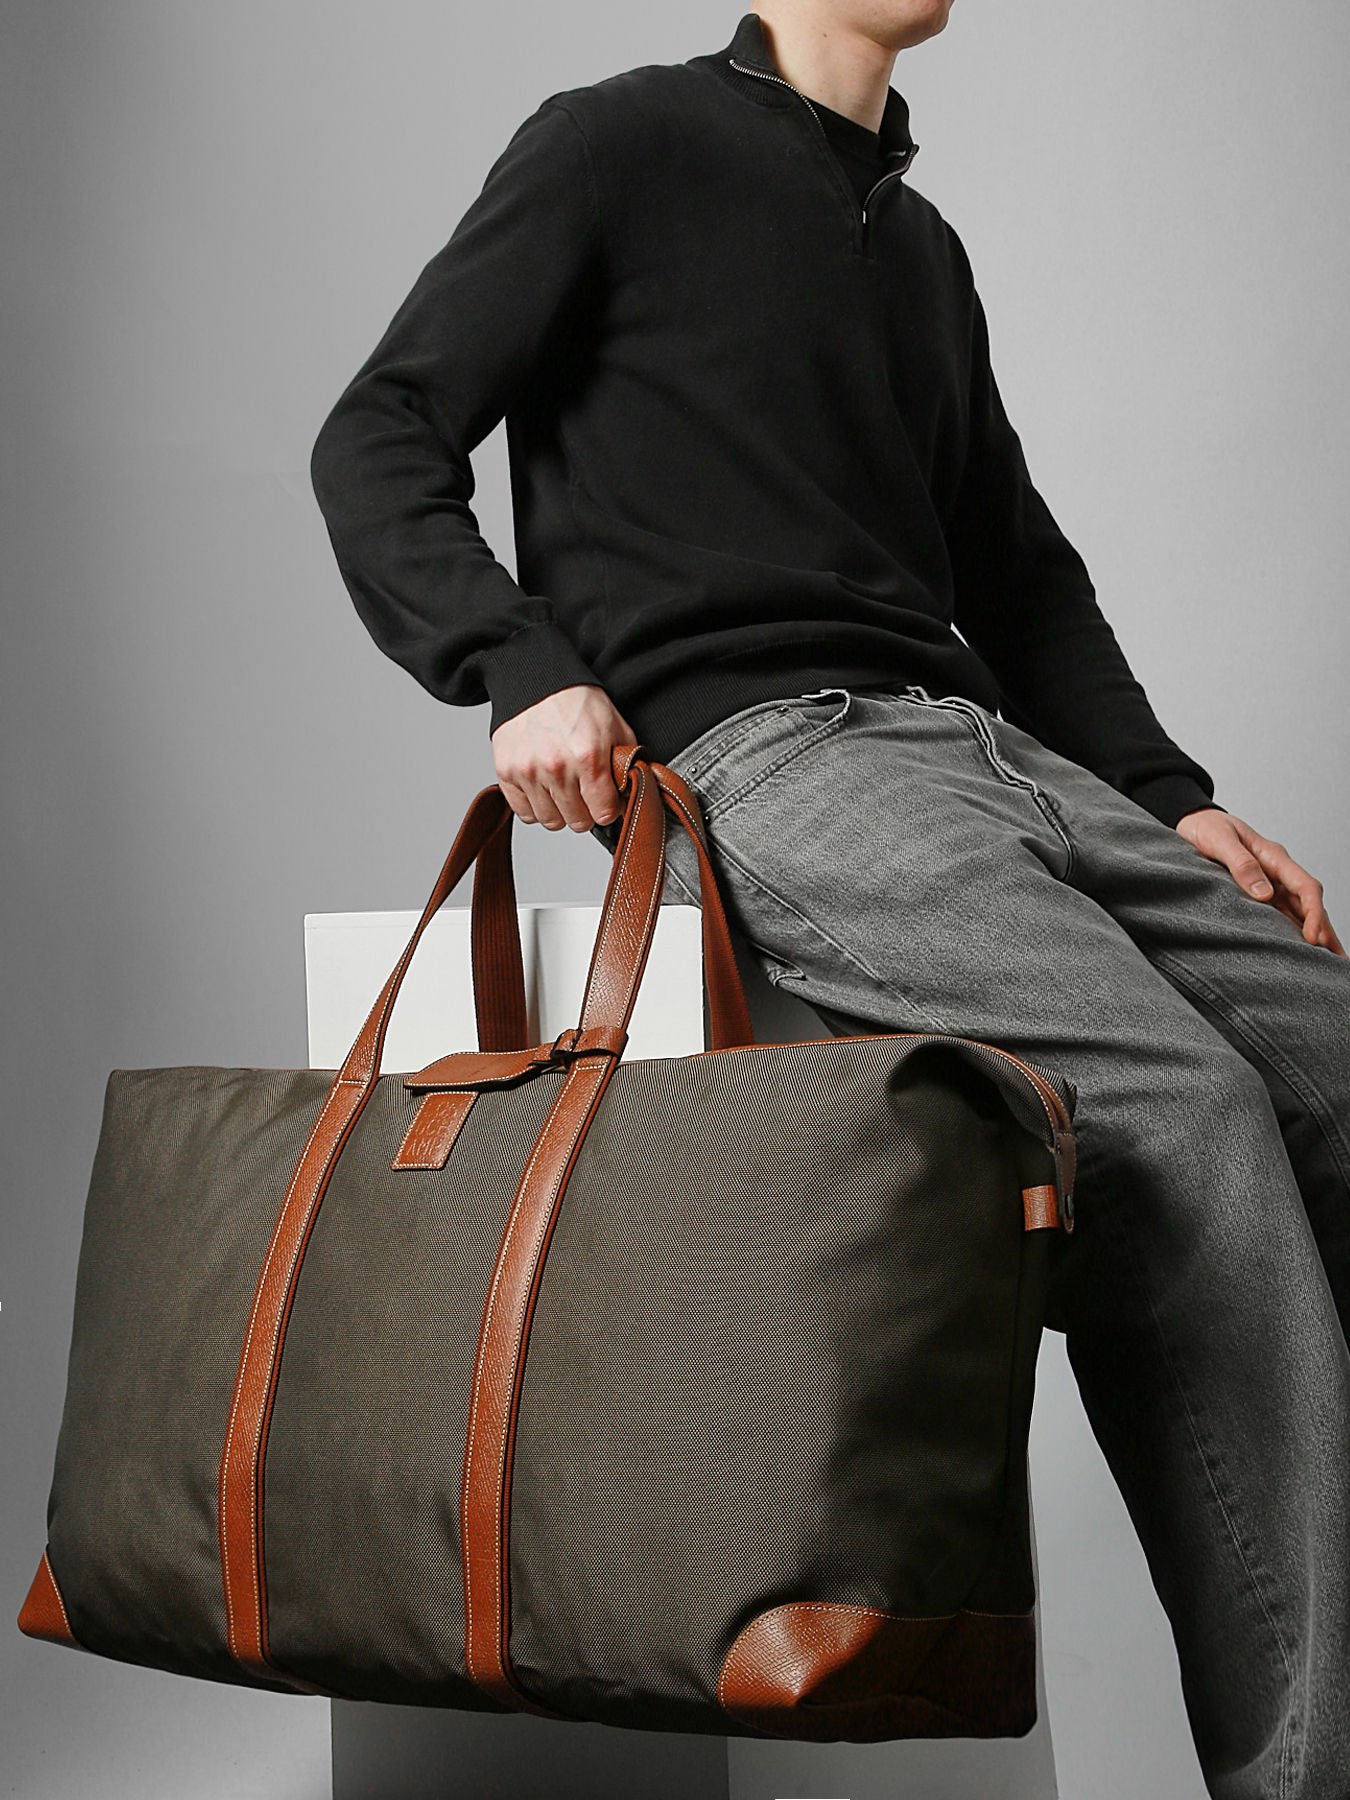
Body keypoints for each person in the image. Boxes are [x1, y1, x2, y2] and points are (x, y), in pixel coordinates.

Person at [308, 5, 1350, 1794]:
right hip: (767, 752)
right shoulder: (618, 139)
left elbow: (1014, 569)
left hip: (986, 749)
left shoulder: (918, 246)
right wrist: (517, 664)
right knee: (1179, 1114)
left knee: (1328, 1059)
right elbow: (379, 432)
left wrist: (1173, 800)